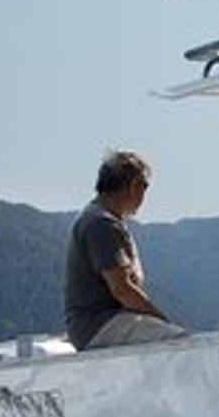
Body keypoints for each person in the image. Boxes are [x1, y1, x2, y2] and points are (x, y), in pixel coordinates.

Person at [63, 150, 190, 351]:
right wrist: (161, 319)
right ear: (133, 186)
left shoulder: (95, 218)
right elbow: (122, 289)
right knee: (180, 343)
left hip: (93, 325)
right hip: (100, 324)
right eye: (144, 187)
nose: (144, 195)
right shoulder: (101, 224)